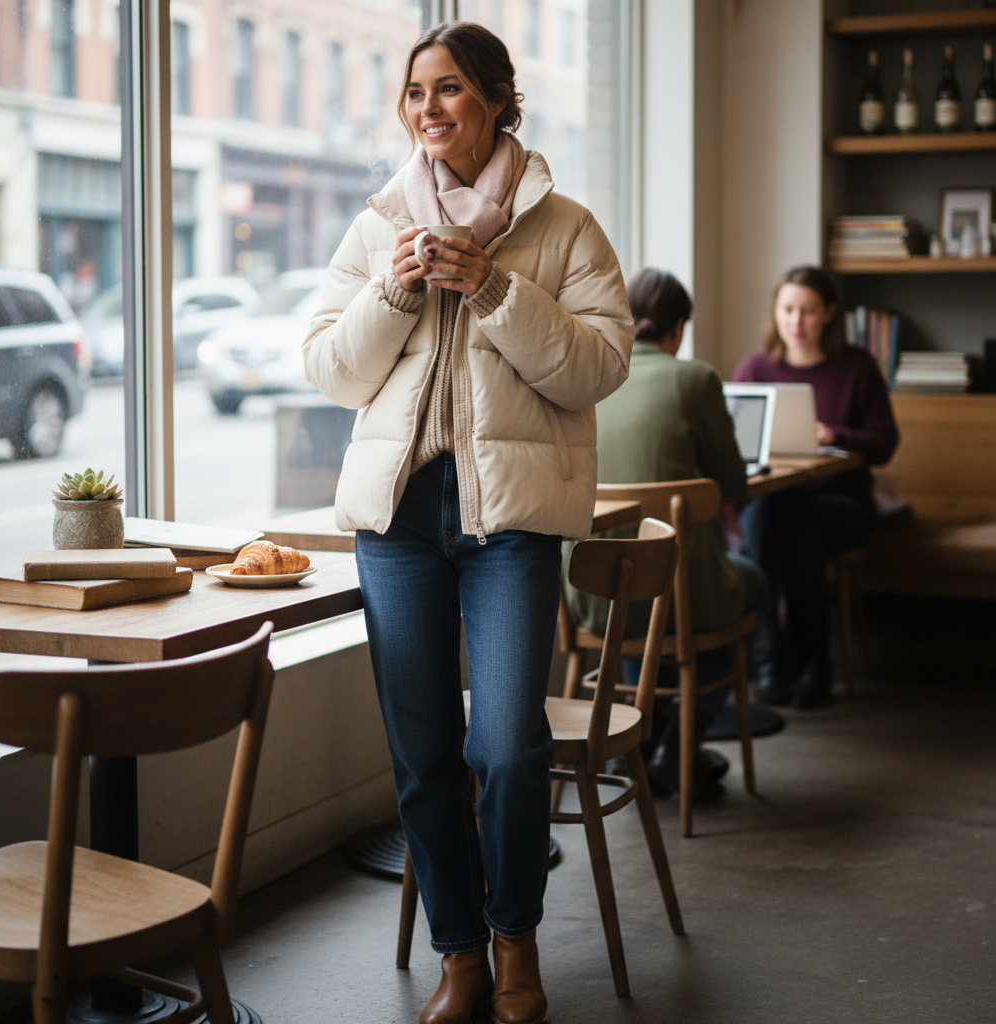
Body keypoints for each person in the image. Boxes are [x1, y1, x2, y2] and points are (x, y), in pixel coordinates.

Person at [303, 22, 633, 1024]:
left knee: (507, 745)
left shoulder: (562, 226)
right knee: (422, 748)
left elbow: (598, 365)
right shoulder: (376, 223)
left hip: (511, 525)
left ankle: (516, 937)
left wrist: (492, 286)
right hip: (397, 520)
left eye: (449, 90)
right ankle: (460, 954)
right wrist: (398, 288)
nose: (429, 110)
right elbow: (328, 367)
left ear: (496, 99)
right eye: (415, 94)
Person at [564, 269, 775, 800]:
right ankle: (680, 747)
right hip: (679, 597)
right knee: (751, 585)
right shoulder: (695, 379)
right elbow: (732, 483)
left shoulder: (584, 376)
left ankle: (649, 740)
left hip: (589, 597)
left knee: (643, 591)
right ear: (678, 328)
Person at [733, 265, 899, 709]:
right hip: (772, 505)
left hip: (842, 503)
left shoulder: (856, 367)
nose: (796, 321)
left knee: (792, 523)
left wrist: (837, 435)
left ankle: (778, 663)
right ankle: (806, 665)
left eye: (807, 310)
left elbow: (885, 443)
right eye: (788, 309)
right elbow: (735, 442)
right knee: (783, 519)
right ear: (776, 312)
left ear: (828, 313)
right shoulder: (756, 367)